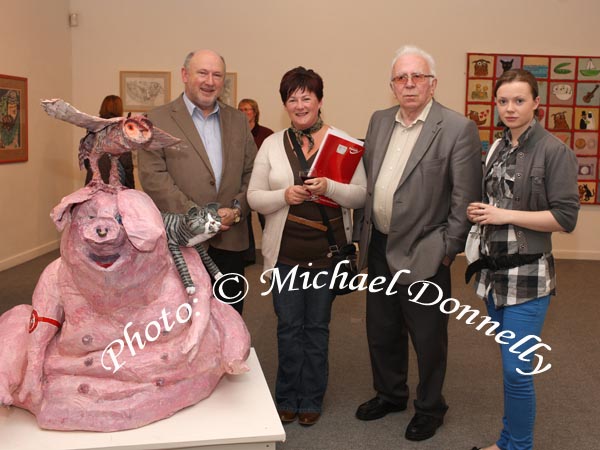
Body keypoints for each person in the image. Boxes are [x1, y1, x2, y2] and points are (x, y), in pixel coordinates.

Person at [353, 45, 482, 441]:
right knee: (382, 329)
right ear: (392, 86)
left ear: (433, 83)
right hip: (379, 245)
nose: (409, 84)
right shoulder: (378, 121)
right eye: (401, 78)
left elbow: (465, 198)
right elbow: (369, 181)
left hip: (426, 249)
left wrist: (447, 249)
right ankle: (390, 394)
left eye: (418, 77)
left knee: (427, 336)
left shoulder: (457, 128)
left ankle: (430, 406)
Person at [247, 66, 366, 427]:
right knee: (287, 327)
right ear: (285, 104)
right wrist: (284, 195)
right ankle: (286, 397)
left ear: (319, 100)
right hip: (284, 257)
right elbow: (254, 198)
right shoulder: (271, 144)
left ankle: (311, 398)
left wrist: (329, 187)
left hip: (325, 257)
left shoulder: (343, 143)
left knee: (317, 328)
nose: (299, 105)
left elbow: (360, 196)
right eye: (292, 99)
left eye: (306, 97)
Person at [467, 69, 579, 450]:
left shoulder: (555, 150)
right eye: (502, 101)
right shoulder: (497, 147)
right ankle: (507, 441)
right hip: (493, 277)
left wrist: (504, 215)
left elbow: (566, 219)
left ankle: (519, 445)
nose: (510, 108)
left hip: (529, 277)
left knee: (518, 370)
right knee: (509, 367)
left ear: (536, 104)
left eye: (518, 101)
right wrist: (482, 212)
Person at [138, 49, 257, 315]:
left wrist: (238, 210)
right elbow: (153, 177)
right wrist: (200, 218)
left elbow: (253, 174)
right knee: (183, 323)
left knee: (230, 319)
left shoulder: (238, 120)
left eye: (217, 75)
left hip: (231, 239)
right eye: (202, 73)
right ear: (184, 75)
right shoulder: (157, 120)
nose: (210, 81)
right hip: (182, 242)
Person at [238, 98, 274, 265]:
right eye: (241, 109)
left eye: (247, 109)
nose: (244, 113)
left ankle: (272, 248)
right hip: (243, 179)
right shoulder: (235, 133)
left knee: (265, 217)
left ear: (255, 112)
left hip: (264, 181)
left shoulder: (267, 134)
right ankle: (248, 255)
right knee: (243, 216)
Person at [84, 95, 135, 188]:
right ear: (119, 109)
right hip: (115, 180)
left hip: (94, 179)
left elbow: (86, 159)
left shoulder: (92, 127)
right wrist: (131, 189)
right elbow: (126, 163)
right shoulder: (121, 129)